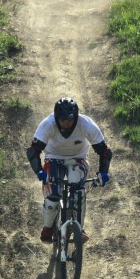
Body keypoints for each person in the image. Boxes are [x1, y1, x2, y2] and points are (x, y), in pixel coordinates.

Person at [26, 97, 112, 244]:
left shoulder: (86, 125)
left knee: (78, 193)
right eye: (62, 120)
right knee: (52, 197)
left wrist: (103, 172)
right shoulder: (48, 125)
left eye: (70, 120)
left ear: (76, 117)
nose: (66, 123)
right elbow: (33, 151)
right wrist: (39, 171)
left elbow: (105, 151)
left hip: (77, 159)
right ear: (56, 118)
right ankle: (47, 228)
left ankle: (79, 227)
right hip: (53, 158)